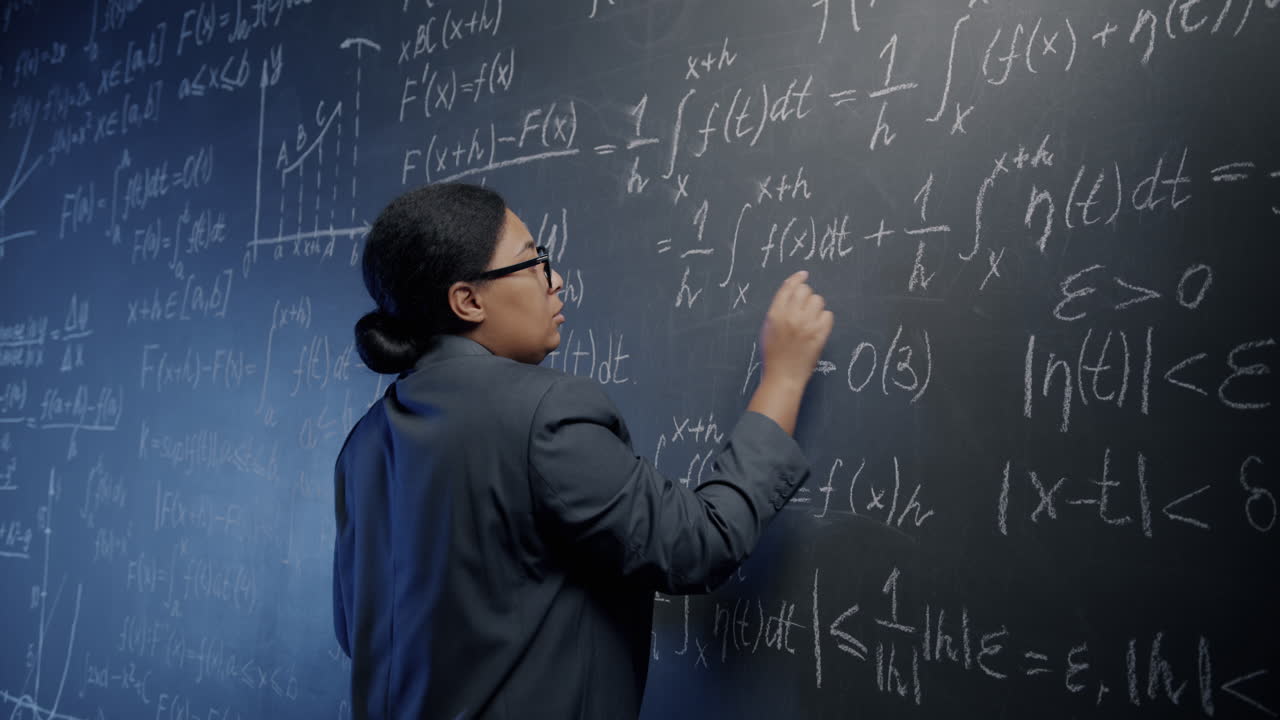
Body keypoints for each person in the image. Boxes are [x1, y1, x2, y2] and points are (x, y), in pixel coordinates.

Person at [332, 182, 833, 719]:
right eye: (533, 262)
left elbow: (354, 630)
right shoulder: (542, 412)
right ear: (468, 300)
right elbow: (699, 544)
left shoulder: (362, 444)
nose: (556, 280)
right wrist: (782, 377)